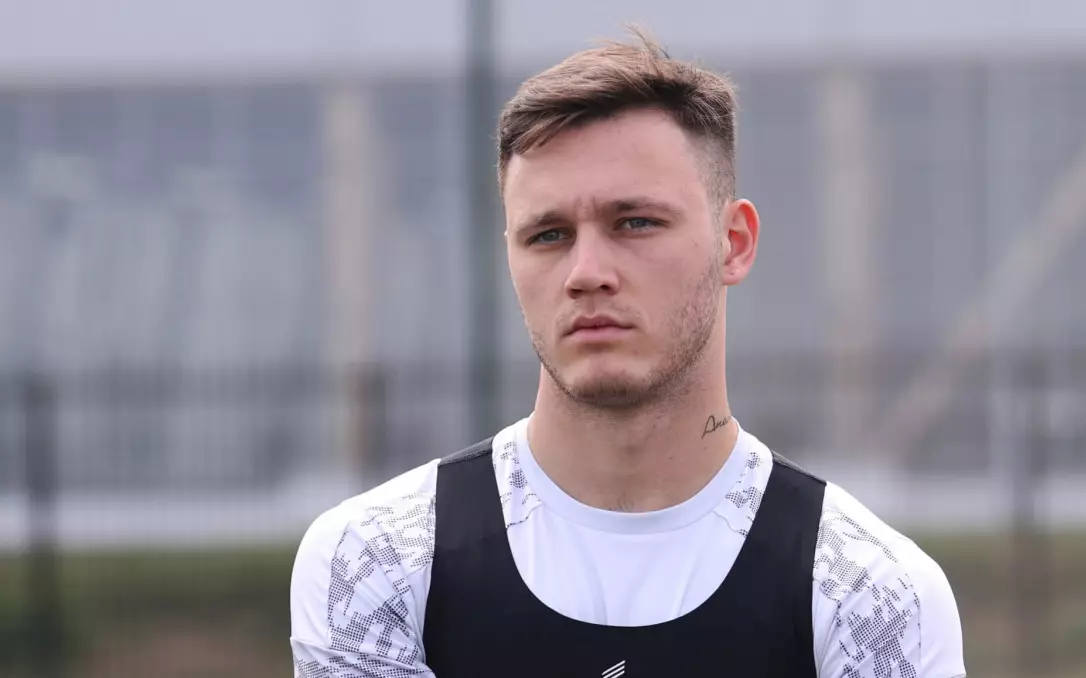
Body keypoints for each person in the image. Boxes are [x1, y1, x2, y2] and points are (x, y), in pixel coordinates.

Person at [290, 27, 966, 678]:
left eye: (635, 222)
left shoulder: (870, 595)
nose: (587, 272)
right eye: (548, 235)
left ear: (733, 243)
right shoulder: (377, 563)